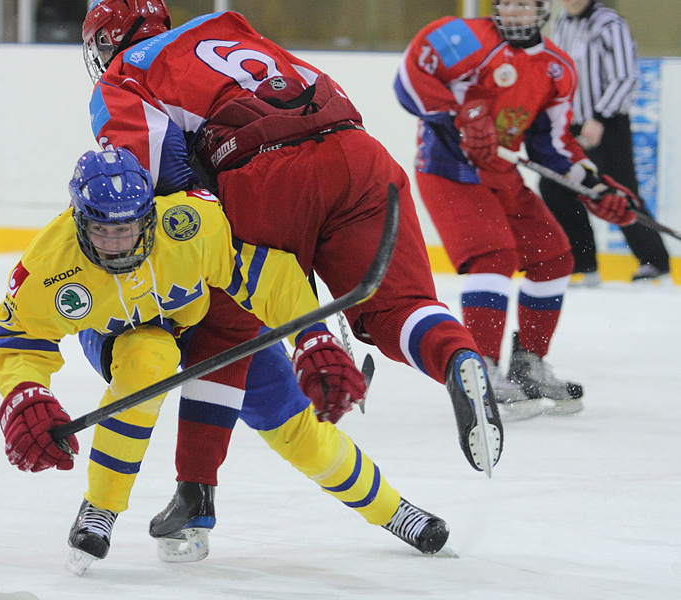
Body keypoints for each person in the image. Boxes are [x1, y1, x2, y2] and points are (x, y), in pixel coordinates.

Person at [79, 0, 503, 543]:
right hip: (360, 152)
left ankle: (196, 492)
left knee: (223, 327)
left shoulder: (123, 75)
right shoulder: (225, 26)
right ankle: (457, 358)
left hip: (267, 170)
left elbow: (165, 184)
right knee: (398, 306)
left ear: (109, 41)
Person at [0, 148, 450, 575]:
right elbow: (16, 340)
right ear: (78, 220)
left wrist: (312, 335)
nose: (116, 245)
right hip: (124, 339)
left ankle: (394, 510)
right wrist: (27, 394)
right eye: (101, 230)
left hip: (208, 329)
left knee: (295, 427)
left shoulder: (191, 224)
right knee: (151, 360)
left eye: (126, 229)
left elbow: (267, 279)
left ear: (149, 215)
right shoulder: (49, 264)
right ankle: (101, 507)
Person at [394, 0, 641, 421]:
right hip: (448, 167)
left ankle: (528, 366)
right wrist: (458, 117)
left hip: (501, 173)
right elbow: (409, 80)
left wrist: (597, 187)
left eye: (524, 4)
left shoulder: (556, 68)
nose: (512, 11)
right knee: (495, 255)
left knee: (553, 255)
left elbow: (554, 147)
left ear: (542, 10)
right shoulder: (465, 38)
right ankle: (482, 371)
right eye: (505, 2)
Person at [540, 0, 670, 285]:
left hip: (607, 124)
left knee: (619, 192)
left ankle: (655, 262)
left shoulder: (609, 23)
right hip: (571, 126)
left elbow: (625, 77)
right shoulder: (560, 22)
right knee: (556, 187)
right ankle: (584, 264)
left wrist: (600, 117)